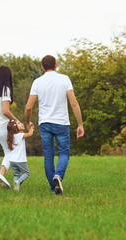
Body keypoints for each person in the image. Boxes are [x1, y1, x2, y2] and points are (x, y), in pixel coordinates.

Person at [25, 55, 84, 195]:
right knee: (64, 153)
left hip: (45, 123)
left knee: (48, 156)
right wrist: (80, 124)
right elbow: (74, 103)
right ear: (56, 65)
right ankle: (58, 176)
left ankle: (53, 187)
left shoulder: (37, 82)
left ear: (42, 67)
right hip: (62, 123)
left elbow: (28, 107)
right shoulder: (64, 79)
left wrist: (27, 122)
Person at [1, 120, 34, 191]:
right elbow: (30, 134)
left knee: (16, 175)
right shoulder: (19, 135)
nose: (21, 123)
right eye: (19, 123)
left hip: (12, 161)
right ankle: (18, 182)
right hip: (20, 160)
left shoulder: (12, 137)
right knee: (26, 173)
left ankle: (16, 189)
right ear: (15, 128)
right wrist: (31, 127)